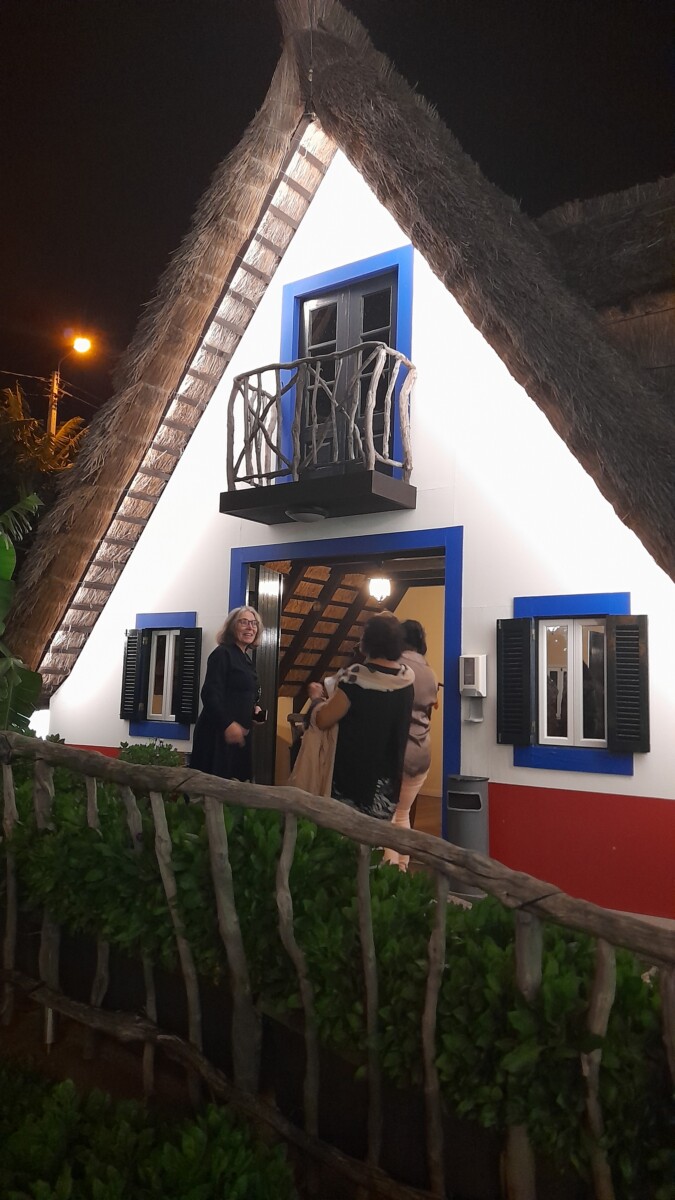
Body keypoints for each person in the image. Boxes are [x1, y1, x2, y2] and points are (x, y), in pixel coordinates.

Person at [312, 614, 414, 820]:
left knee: (344, 835)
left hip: (352, 779)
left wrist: (316, 700)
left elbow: (323, 719)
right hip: (387, 782)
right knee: (377, 836)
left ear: (369, 641)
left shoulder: (356, 679)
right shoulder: (406, 681)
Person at [383, 619, 439, 870]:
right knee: (402, 813)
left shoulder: (397, 667)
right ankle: (402, 869)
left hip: (397, 750)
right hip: (421, 750)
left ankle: (389, 875)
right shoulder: (430, 672)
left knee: (387, 817)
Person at [189, 606, 264, 782]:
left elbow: (243, 694)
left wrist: (253, 709)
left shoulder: (245, 658)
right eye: (244, 622)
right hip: (218, 735)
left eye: (254, 623)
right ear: (232, 627)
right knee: (214, 789)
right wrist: (227, 725)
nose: (250, 627)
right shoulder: (222, 654)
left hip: (238, 735)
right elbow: (209, 694)